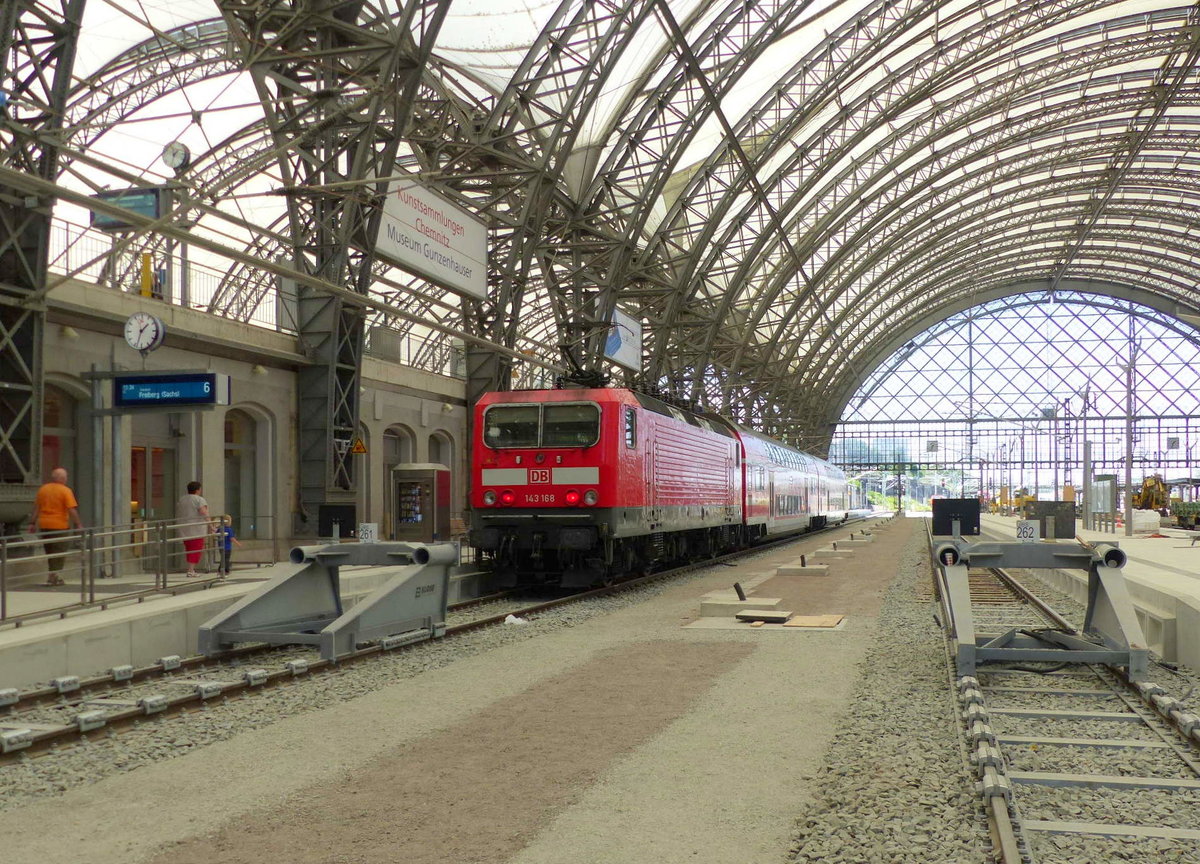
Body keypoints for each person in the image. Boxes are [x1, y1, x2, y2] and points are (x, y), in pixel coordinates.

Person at [29, 467, 83, 586]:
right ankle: (54, 576)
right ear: (63, 478)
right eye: (65, 477)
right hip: (59, 525)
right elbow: (71, 509)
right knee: (59, 551)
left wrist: (32, 523)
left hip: (44, 524)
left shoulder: (43, 489)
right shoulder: (65, 491)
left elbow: (36, 508)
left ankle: (52, 575)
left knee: (49, 551)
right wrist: (78, 524)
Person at [176, 481, 210, 577]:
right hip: (196, 528)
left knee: (189, 548)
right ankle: (191, 570)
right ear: (198, 490)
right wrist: (211, 524)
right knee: (196, 549)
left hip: (184, 528)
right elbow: (203, 512)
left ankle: (191, 569)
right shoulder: (199, 500)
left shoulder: (182, 499)